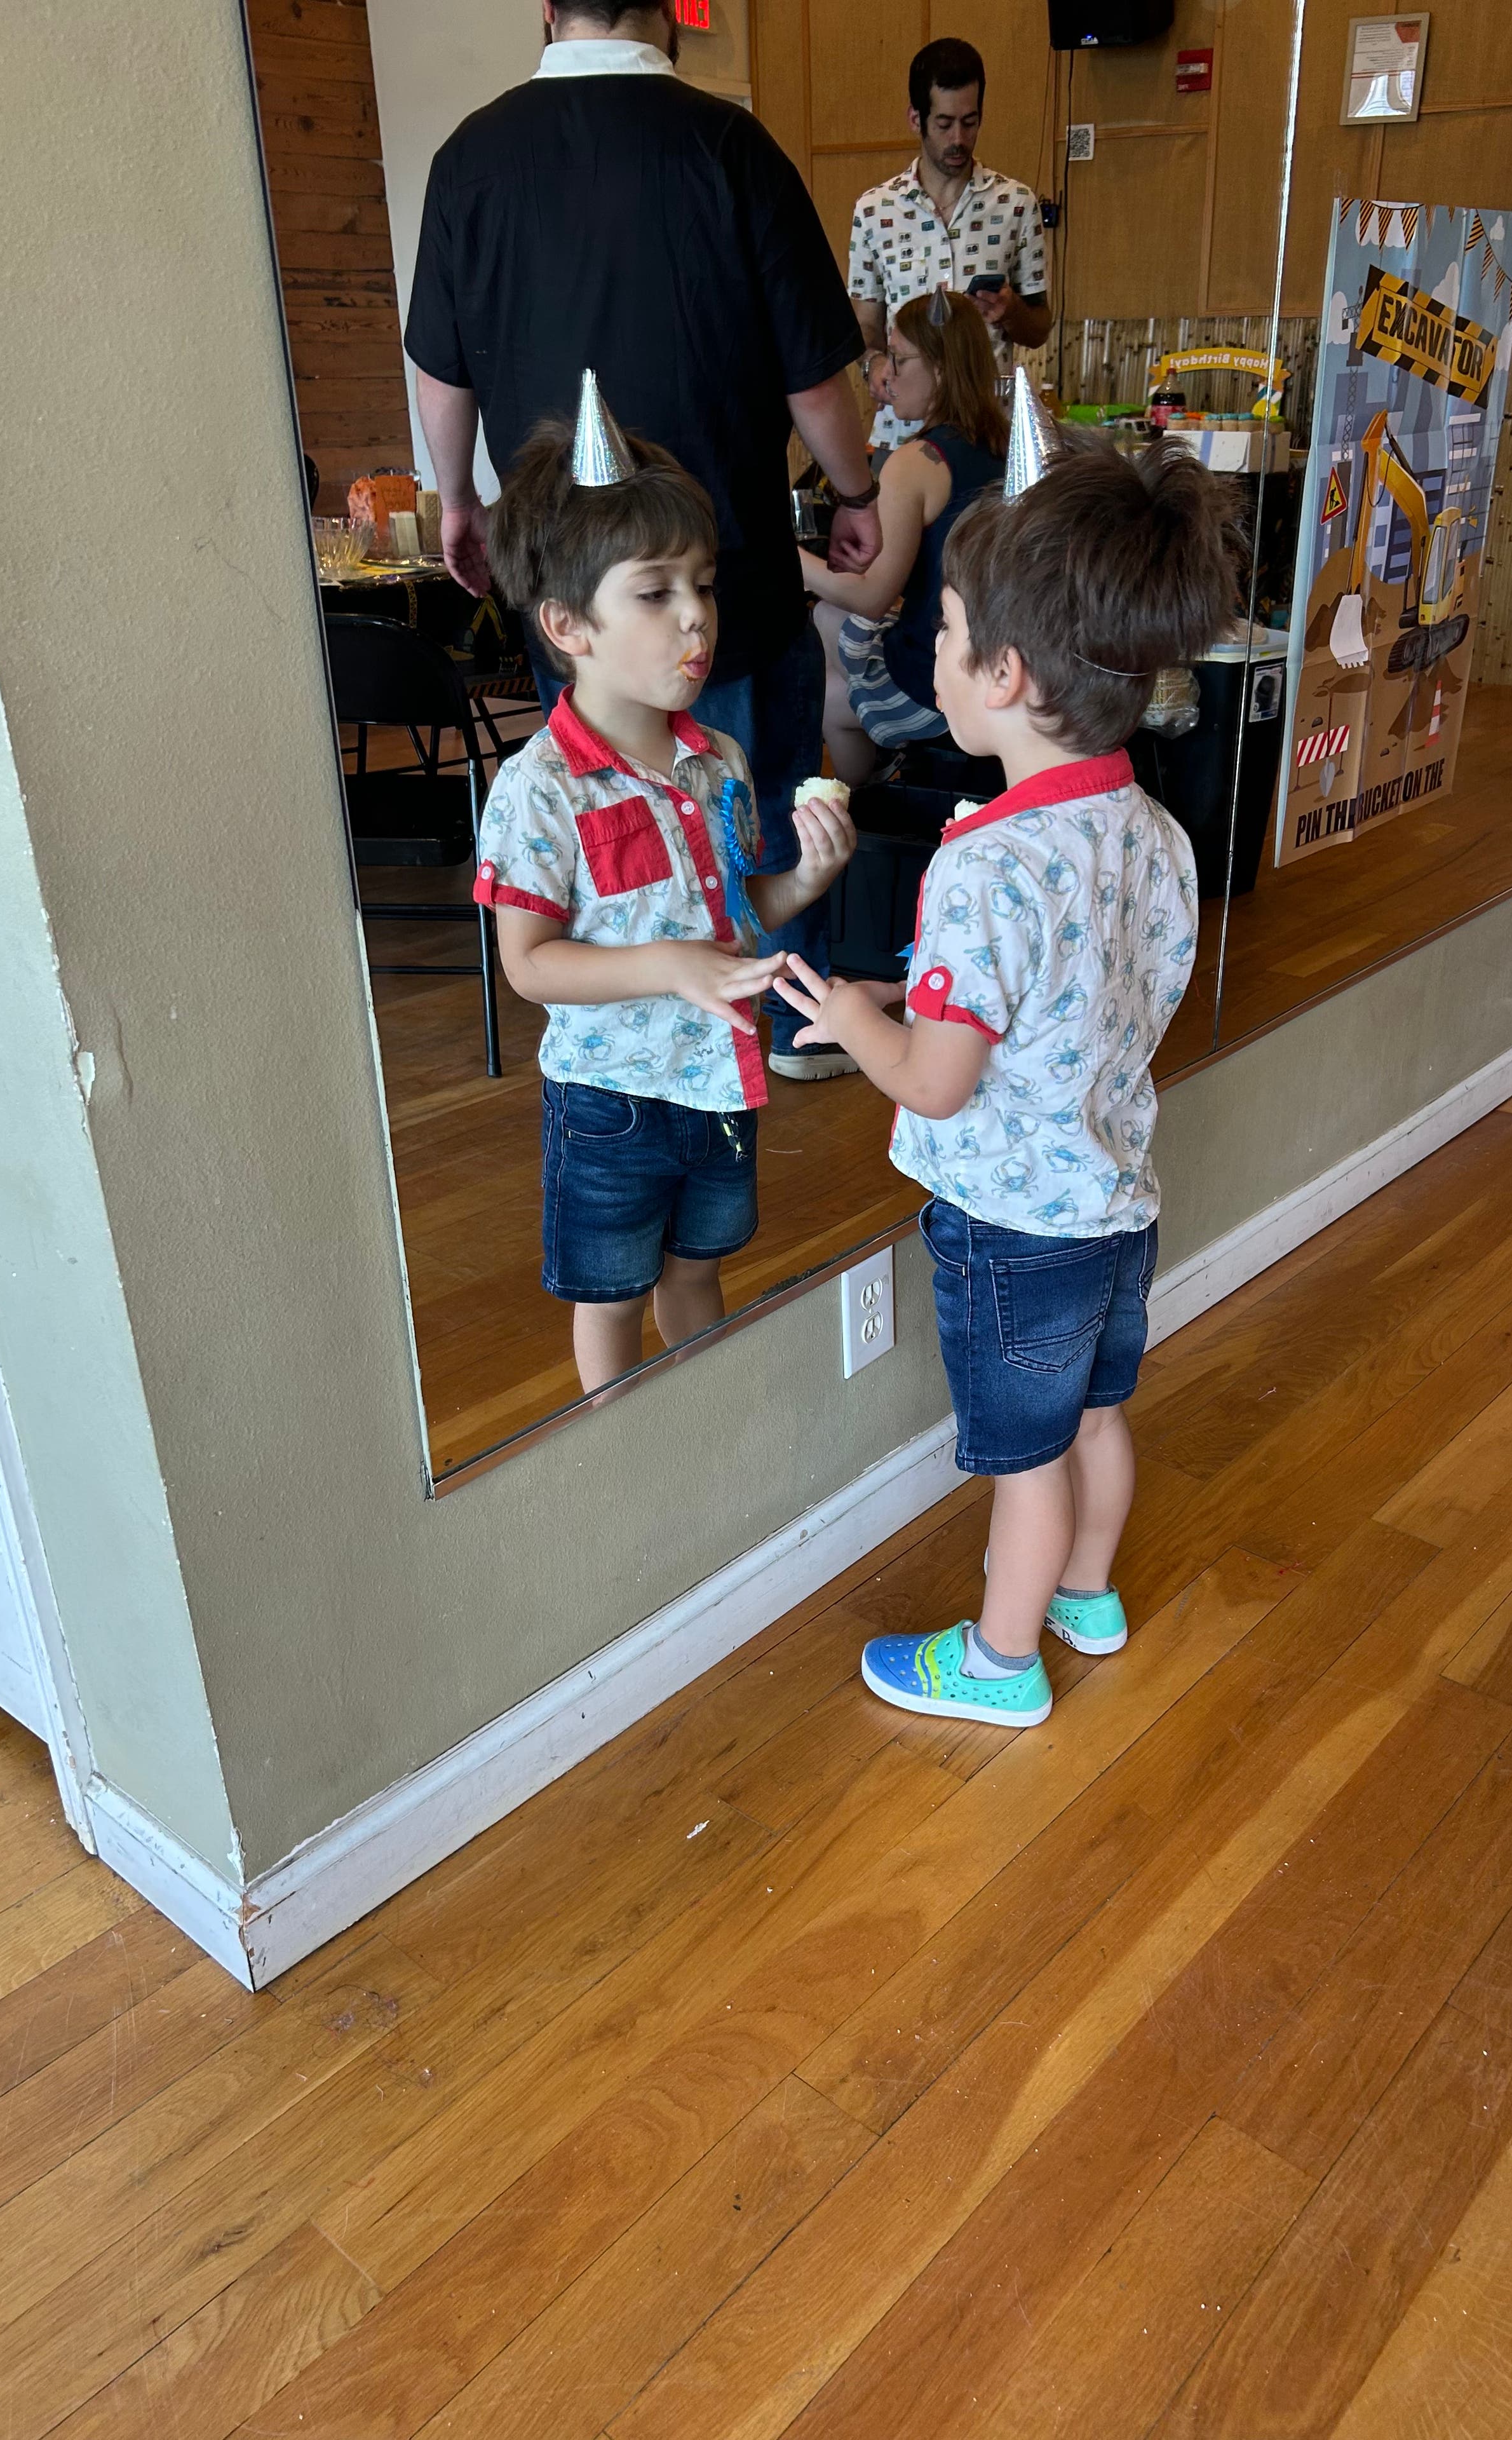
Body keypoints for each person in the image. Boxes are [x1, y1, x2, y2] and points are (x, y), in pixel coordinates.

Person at [773, 436, 1241, 1728]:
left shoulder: (985, 863)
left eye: (945, 629)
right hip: (1116, 1207)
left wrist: (848, 1020)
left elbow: (934, 1086)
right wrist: (919, 1002)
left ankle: (999, 1661)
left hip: (1013, 1230)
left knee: (1025, 1461)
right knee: (1097, 1418)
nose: (931, 650)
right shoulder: (1152, 832)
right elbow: (1087, 998)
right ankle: (1088, 1597)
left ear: (1007, 675)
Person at [406, 0, 878, 1080]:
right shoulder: (729, 145)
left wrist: (460, 499)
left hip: (572, 577)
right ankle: (788, 1026)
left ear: (547, 9)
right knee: (751, 808)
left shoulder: (470, 158)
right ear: (668, 9)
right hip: (730, 566)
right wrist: (854, 491)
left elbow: (443, 367)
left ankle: (649, 1042)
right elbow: (813, 376)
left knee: (602, 806)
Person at [474, 397, 855, 1397]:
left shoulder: (719, 760)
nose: (696, 615)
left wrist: (804, 880)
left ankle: (701, 1425)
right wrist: (666, 966)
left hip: (720, 1085)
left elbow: (735, 920)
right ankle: (624, 1445)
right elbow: (529, 963)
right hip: (610, 1102)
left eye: (703, 584)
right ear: (569, 626)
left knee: (697, 1273)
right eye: (654, 592)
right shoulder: (541, 789)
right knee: (610, 1296)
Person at [800, 290, 1007, 783]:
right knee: (828, 618)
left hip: (938, 672)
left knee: (827, 693)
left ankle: (866, 802)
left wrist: (788, 559)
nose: (885, 375)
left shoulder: (916, 462)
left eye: (898, 358)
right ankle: (889, 767)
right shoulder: (1003, 443)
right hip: (1002, 658)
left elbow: (872, 597)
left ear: (941, 369)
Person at [847, 37, 1051, 451]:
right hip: (901, 439)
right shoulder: (874, 210)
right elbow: (864, 328)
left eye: (970, 122)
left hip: (990, 439)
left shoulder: (1016, 204)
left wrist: (1011, 311)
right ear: (916, 119)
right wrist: (874, 364)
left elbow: (1039, 328)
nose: (958, 138)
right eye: (944, 124)